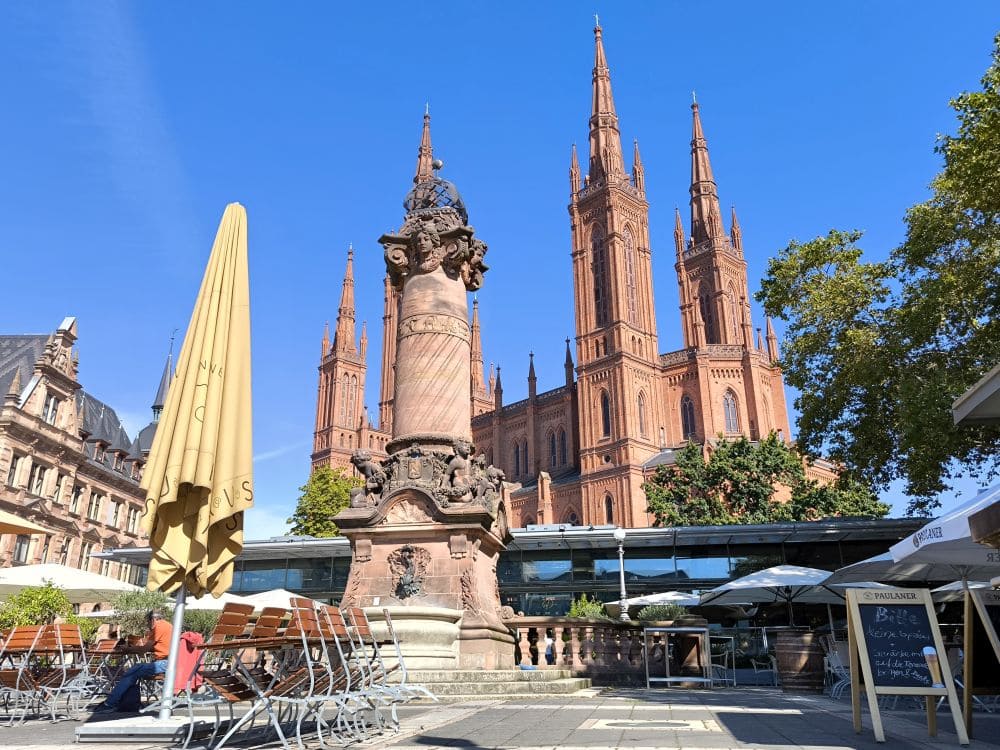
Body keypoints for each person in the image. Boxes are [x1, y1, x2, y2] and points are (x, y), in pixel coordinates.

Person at [92, 610, 172, 713]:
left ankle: (110, 703)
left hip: (165, 663)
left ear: (152, 620)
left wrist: (128, 650)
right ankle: (127, 703)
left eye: (148, 623)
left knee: (133, 670)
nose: (148, 626)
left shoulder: (159, 627)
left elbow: (144, 650)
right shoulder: (169, 626)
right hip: (170, 663)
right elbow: (155, 647)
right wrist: (133, 648)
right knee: (135, 671)